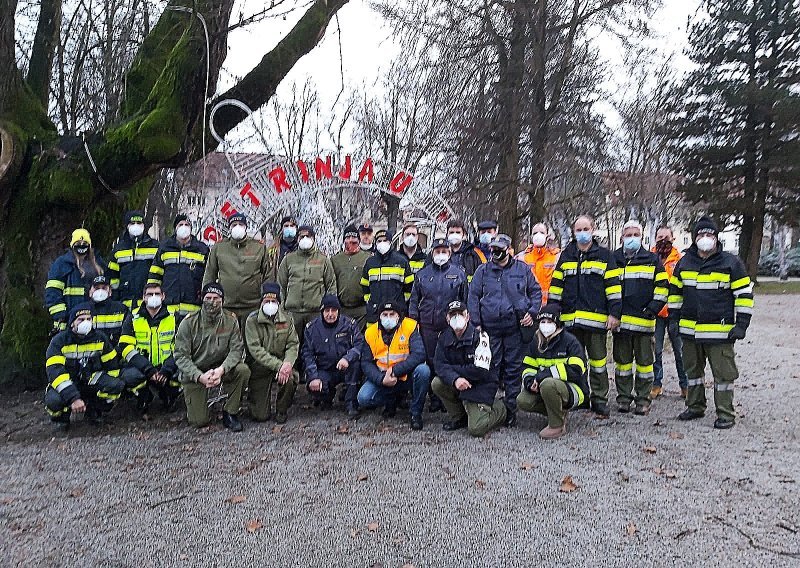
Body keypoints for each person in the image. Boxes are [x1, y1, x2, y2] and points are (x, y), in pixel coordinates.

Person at [669, 216, 753, 429]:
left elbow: (744, 295)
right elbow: (675, 295)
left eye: (709, 235)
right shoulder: (685, 262)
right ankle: (695, 406)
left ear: (716, 238)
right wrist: (673, 320)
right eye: (701, 235)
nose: (705, 238)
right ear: (694, 238)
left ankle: (725, 413)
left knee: (723, 375)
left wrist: (741, 324)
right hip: (690, 332)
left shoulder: (731, 263)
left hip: (720, 332)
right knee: (693, 373)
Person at [548, 215, 622, 417]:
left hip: (596, 321)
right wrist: (552, 315)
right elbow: (556, 288)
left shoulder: (605, 256)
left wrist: (615, 313)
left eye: (585, 228)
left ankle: (600, 399)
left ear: (593, 229)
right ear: (573, 232)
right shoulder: (566, 255)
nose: (582, 233)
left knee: (598, 363)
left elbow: (613, 288)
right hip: (570, 322)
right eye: (578, 229)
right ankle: (580, 396)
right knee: (575, 362)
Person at [467, 234, 542, 427]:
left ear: (509, 249)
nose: (495, 252)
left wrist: (532, 313)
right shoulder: (482, 271)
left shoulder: (522, 269)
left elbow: (535, 292)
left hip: (514, 328)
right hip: (489, 329)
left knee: (512, 369)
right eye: (492, 249)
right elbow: (473, 296)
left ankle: (510, 409)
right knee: (491, 369)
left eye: (499, 249)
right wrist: (476, 322)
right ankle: (489, 407)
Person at [173, 282, 249, 431]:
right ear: (202, 298)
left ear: (223, 301)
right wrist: (199, 376)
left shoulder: (231, 320)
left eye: (216, 298)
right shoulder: (188, 323)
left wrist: (221, 370)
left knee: (243, 370)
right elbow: (181, 356)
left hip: (220, 368)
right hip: (197, 371)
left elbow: (236, 350)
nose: (212, 302)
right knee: (199, 421)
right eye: (208, 297)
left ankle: (230, 412)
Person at [612, 221, 668, 415]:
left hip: (644, 323)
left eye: (636, 234)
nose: (632, 238)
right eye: (628, 234)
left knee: (645, 365)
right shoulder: (614, 259)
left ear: (642, 237)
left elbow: (662, 289)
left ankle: (643, 399)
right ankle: (624, 398)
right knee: (623, 365)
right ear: (622, 237)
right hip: (620, 324)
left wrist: (652, 309)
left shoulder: (652, 259)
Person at [408, 238, 468, 412]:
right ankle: (434, 397)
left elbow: (465, 299)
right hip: (428, 325)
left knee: (449, 360)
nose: (441, 254)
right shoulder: (422, 274)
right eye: (437, 251)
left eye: (444, 251)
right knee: (431, 361)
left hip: (451, 326)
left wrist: (464, 322)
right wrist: (414, 321)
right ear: (432, 253)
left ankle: (449, 397)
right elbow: (414, 300)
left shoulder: (459, 274)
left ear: (449, 253)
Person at [430, 301, 507, 437]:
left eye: (461, 314)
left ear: (468, 317)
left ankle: (501, 408)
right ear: (447, 319)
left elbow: (480, 370)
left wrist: (454, 371)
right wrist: (455, 379)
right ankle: (459, 417)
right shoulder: (444, 337)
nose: (457, 317)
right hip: (459, 383)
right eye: (453, 315)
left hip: (481, 385)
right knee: (437, 383)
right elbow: (439, 364)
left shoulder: (481, 337)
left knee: (476, 429)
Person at [44, 304, 124, 430]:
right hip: (69, 382)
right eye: (81, 320)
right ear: (72, 323)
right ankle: (62, 419)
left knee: (116, 385)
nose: (86, 322)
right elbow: (55, 372)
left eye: (88, 319)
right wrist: (73, 398)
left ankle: (94, 410)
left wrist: (109, 386)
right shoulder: (59, 341)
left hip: (91, 380)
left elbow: (112, 366)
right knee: (54, 400)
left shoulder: (100, 338)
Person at [517, 305, 588, 439]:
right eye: (543, 322)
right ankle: (558, 413)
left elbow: (576, 370)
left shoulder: (570, 341)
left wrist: (542, 376)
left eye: (549, 322)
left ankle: (557, 426)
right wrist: (530, 382)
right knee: (523, 400)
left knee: (548, 384)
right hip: (545, 386)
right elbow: (527, 367)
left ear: (557, 324)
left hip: (574, 389)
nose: (545, 325)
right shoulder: (536, 341)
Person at [358, 301, 431, 430]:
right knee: (363, 398)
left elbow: (419, 354)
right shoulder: (370, 332)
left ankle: (415, 413)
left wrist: (394, 371)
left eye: (392, 314)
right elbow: (365, 362)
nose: (388, 317)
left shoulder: (410, 326)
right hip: (382, 378)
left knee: (423, 371)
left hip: (405, 376)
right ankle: (391, 400)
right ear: (379, 316)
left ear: (399, 315)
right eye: (385, 314)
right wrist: (381, 379)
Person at [118, 283, 180, 413]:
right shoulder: (133, 317)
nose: (153, 297)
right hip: (142, 367)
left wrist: (167, 369)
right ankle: (144, 397)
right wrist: (148, 369)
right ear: (143, 297)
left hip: (168, 366)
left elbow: (181, 347)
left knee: (184, 373)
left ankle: (170, 396)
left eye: (157, 294)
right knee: (129, 376)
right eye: (150, 294)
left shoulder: (174, 317)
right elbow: (125, 347)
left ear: (163, 296)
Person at [276, 225, 336, 360]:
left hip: (315, 311)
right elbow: (281, 284)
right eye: (301, 236)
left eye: (308, 236)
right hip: (293, 311)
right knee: (292, 344)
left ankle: (312, 373)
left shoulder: (323, 259)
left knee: (314, 344)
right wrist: (282, 308)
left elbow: (331, 285)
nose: (304, 239)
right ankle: (293, 372)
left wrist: (327, 308)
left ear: (313, 238)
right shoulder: (288, 259)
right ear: (297, 239)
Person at [244, 282, 300, 424]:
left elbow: (293, 344)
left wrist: (287, 364)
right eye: (266, 301)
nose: (270, 304)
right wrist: (278, 366)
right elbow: (256, 350)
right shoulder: (252, 320)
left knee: (291, 377)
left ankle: (282, 409)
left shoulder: (287, 318)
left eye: (273, 301)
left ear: (279, 303)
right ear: (261, 302)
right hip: (260, 366)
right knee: (260, 416)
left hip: (282, 363)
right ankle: (255, 400)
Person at [203, 212, 269, 331]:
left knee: (250, 342)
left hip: (252, 305)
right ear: (229, 228)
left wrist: (267, 298)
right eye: (234, 224)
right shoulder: (219, 248)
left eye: (240, 224)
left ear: (245, 227)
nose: (237, 227)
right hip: (226, 305)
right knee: (225, 340)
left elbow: (268, 276)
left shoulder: (258, 248)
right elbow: (209, 274)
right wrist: (208, 298)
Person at [301, 294, 364, 418]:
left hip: (344, 367)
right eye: (327, 310)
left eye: (334, 310)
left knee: (356, 365)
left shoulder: (349, 324)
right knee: (315, 386)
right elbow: (307, 354)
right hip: (324, 368)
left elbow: (359, 345)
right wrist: (313, 376)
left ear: (339, 311)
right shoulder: (311, 328)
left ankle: (351, 402)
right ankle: (326, 397)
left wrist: (348, 358)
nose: (330, 314)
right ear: (322, 312)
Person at [148, 214, 209, 323]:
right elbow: (155, 274)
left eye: (187, 225)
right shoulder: (165, 247)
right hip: (169, 306)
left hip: (194, 306)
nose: (184, 227)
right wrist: (153, 296)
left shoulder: (202, 249)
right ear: (175, 228)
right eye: (181, 224)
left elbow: (208, 275)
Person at [650, 225, 688, 399]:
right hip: (656, 312)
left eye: (666, 237)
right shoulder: (649, 258)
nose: (663, 240)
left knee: (679, 351)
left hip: (674, 312)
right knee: (655, 350)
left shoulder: (679, 259)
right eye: (659, 237)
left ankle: (685, 385)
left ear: (673, 239)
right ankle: (656, 384)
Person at [45, 228, 106, 332]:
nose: (81, 245)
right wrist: (61, 315)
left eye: (84, 242)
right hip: (68, 320)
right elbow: (52, 292)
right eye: (78, 242)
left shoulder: (99, 264)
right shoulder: (62, 264)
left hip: (93, 318)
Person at [107, 210, 159, 310]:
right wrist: (116, 300)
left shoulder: (155, 247)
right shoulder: (118, 249)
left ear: (144, 225)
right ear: (127, 226)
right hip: (124, 303)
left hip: (149, 302)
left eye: (139, 223)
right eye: (132, 223)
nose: (136, 226)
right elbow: (112, 277)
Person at [361, 229, 414, 323]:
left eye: (385, 241)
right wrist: (370, 301)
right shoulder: (370, 263)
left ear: (390, 243)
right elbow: (365, 285)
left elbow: (409, 286)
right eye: (379, 241)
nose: (382, 243)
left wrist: (400, 302)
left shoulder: (401, 261)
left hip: (396, 313)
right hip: (374, 313)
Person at [330, 224, 372, 329]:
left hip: (362, 309)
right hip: (342, 308)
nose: (351, 240)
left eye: (354, 237)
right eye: (348, 238)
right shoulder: (335, 260)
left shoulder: (367, 258)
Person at [516, 222, 560, 304]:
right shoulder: (521, 257)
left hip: (550, 306)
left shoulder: (557, 257)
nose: (538, 235)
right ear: (531, 236)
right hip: (528, 306)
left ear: (547, 235)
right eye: (535, 233)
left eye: (542, 232)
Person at [86, 275, 129, 347]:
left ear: (110, 292)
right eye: (96, 288)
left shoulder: (121, 309)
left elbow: (126, 334)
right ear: (90, 292)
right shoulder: (82, 310)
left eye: (104, 288)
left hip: (115, 353)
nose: (100, 291)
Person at [266, 215, 299, 279]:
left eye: (292, 226)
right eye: (286, 226)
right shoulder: (274, 247)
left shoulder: (301, 246)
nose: (289, 228)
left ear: (296, 228)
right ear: (282, 229)